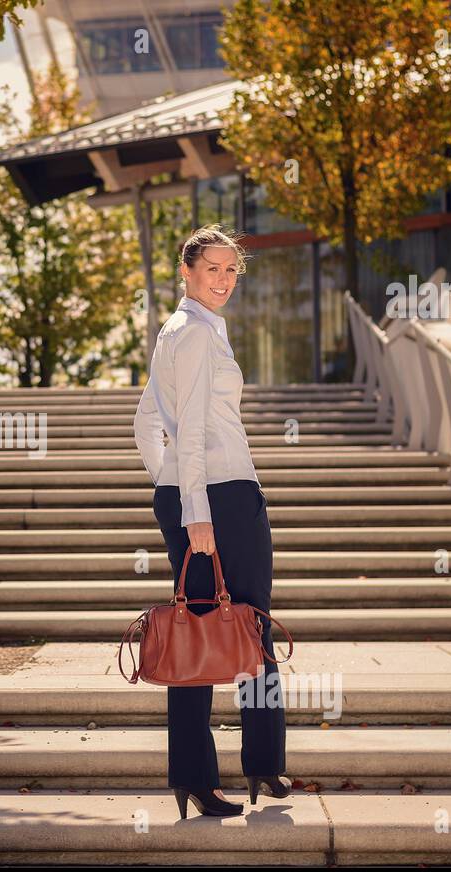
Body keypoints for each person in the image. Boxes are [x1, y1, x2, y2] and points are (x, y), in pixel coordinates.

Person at [132, 224, 290, 818]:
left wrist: (167, 481)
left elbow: (147, 425)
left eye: (231, 270)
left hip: (198, 495)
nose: (223, 280)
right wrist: (195, 509)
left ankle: (223, 771)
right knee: (250, 631)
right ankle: (256, 765)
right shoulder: (195, 334)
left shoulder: (178, 331)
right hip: (219, 501)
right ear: (188, 273)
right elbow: (191, 430)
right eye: (212, 270)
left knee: (199, 630)